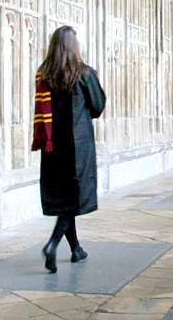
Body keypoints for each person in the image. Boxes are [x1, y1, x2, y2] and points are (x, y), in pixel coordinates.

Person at [31, 26, 106, 273]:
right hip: (78, 148)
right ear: (74, 46)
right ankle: (52, 245)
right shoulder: (84, 73)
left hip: (52, 149)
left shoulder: (44, 75)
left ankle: (76, 249)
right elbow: (97, 106)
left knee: (65, 198)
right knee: (72, 200)